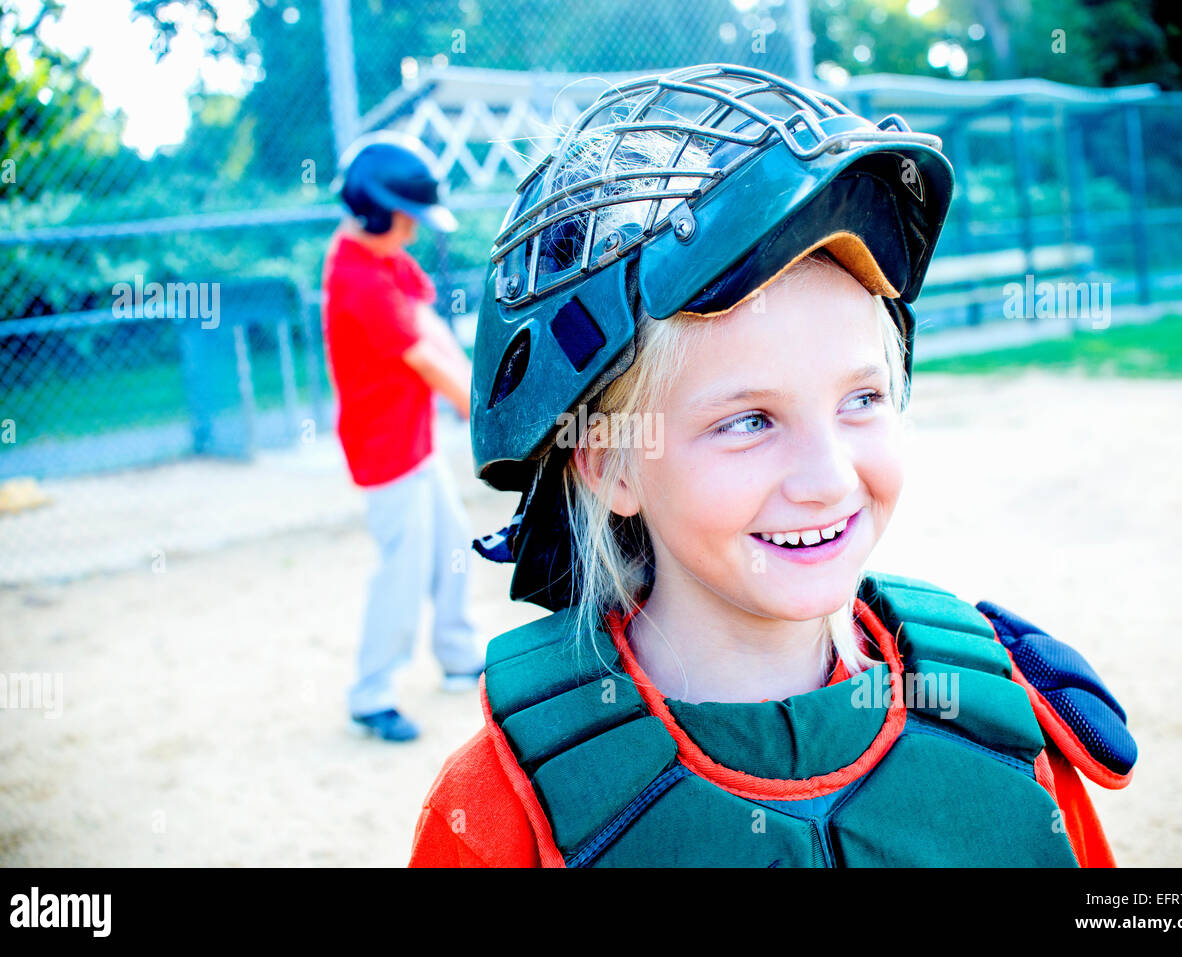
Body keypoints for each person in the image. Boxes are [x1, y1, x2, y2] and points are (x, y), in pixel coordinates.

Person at [409, 64, 1136, 865]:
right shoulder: (501, 809)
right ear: (612, 465)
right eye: (749, 420)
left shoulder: (1010, 728)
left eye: (861, 399)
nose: (827, 478)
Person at [322, 131, 485, 743]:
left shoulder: (386, 258)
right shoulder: (357, 278)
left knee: (451, 542)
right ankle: (371, 693)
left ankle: (457, 652)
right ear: (372, 208)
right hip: (385, 450)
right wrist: (486, 414)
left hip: (413, 442)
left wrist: (483, 396)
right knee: (405, 570)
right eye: (407, 217)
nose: (414, 230)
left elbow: (434, 332)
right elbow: (429, 363)